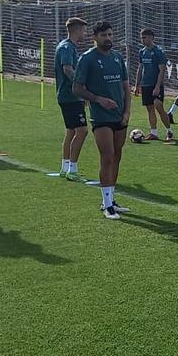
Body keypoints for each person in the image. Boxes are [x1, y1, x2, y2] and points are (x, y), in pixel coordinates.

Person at [73, 21, 131, 220]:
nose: (108, 38)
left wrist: (127, 112)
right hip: (101, 117)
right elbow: (77, 88)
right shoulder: (87, 59)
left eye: (110, 34)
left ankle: (111, 199)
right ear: (95, 38)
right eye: (104, 35)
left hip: (119, 116)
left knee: (117, 156)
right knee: (107, 156)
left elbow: (126, 87)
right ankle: (106, 204)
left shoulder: (117, 57)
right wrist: (99, 100)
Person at [55, 17, 89, 182]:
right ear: (77, 30)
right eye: (84, 30)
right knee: (82, 131)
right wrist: (82, 88)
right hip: (70, 96)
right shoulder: (67, 47)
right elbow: (68, 70)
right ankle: (72, 170)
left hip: (68, 96)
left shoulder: (68, 47)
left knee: (71, 131)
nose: (86, 33)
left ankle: (65, 167)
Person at [137, 28, 174, 142]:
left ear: (152, 38)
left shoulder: (158, 52)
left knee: (159, 106)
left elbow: (162, 70)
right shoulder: (142, 52)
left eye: (145, 37)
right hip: (145, 84)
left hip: (155, 85)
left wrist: (158, 86)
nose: (143, 40)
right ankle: (154, 132)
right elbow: (140, 67)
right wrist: (137, 84)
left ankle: (169, 130)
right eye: (142, 38)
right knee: (150, 109)